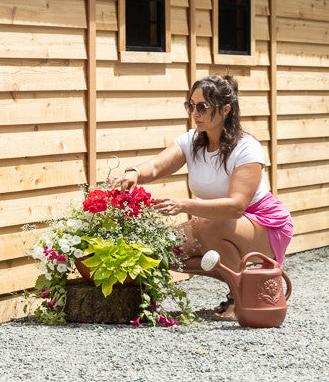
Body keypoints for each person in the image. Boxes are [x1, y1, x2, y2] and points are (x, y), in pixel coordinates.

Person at [110, 74, 294, 320]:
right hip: (218, 223)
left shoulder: (247, 147)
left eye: (203, 107)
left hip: (264, 224)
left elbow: (236, 207)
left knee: (207, 225)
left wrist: (182, 204)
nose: (195, 113)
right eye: (191, 105)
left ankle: (240, 297)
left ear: (226, 109)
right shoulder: (191, 140)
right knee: (162, 250)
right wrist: (133, 173)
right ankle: (252, 285)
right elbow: (155, 167)